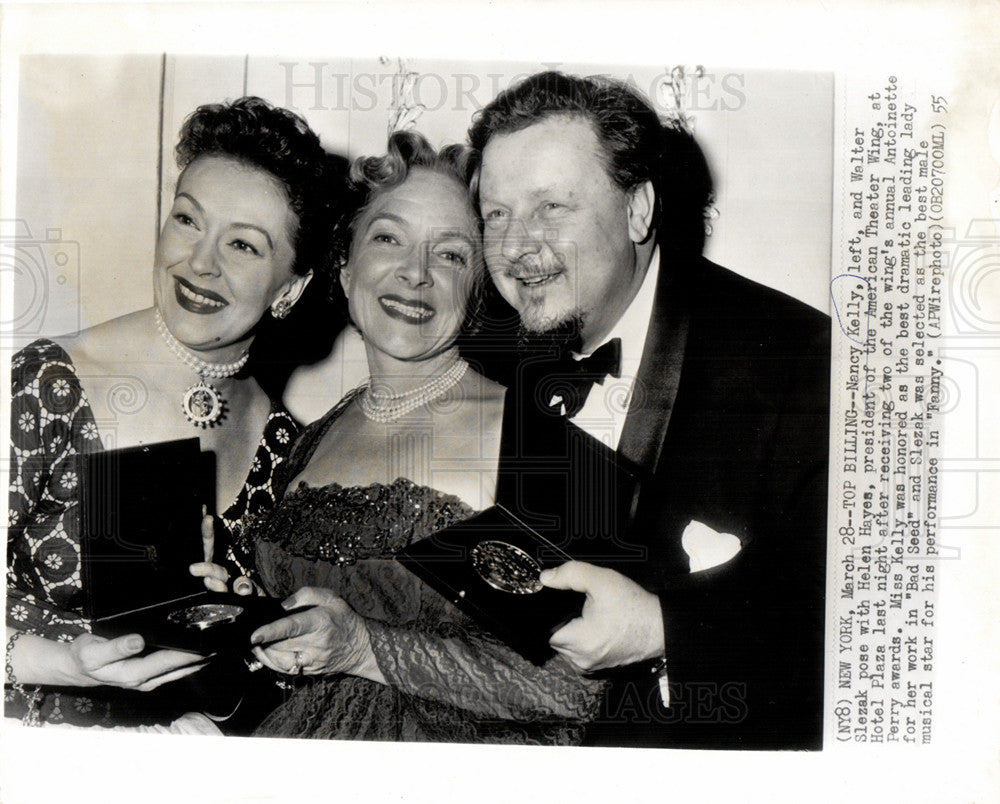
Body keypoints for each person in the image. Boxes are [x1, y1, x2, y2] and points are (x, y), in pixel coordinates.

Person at [467, 71, 831, 749]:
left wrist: (665, 627)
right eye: (496, 213)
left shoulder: (802, 362)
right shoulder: (487, 356)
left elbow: (849, 603)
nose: (516, 248)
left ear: (638, 209)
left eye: (551, 207)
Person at [239, 130, 604, 744]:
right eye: (388, 238)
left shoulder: (531, 435)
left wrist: (362, 648)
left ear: (478, 288)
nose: (415, 274)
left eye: (451, 255)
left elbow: (573, 688)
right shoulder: (313, 436)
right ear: (346, 263)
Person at [5, 96, 343, 728]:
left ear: (290, 289)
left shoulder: (284, 446)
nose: (200, 262)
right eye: (188, 221)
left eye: (243, 245)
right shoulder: (47, 384)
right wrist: (62, 659)